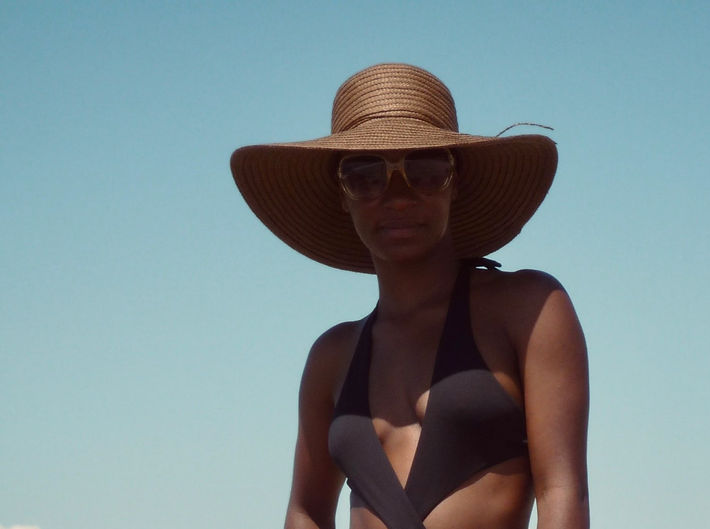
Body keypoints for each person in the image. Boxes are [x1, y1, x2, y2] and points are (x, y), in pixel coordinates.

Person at [231, 63, 589, 529]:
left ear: (455, 181)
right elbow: (305, 511)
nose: (397, 197)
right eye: (365, 176)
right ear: (342, 194)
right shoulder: (332, 356)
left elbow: (562, 489)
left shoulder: (528, 308)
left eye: (424, 171)